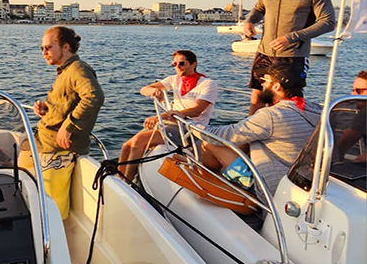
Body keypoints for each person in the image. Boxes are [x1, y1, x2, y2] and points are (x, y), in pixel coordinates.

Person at [200, 63, 320, 200]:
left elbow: (222, 136)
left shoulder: (272, 115)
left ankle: (217, 180)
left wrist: (190, 123)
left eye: (264, 81)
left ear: (276, 86)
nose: (261, 86)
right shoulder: (317, 110)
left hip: (270, 190)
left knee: (209, 143)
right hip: (302, 184)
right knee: (249, 140)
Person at [242, 0, 335, 115]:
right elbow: (259, 8)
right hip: (264, 53)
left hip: (293, 55)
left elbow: (328, 23)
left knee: (283, 104)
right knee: (258, 99)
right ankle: (248, 138)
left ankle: (281, 138)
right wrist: (249, 21)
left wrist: (291, 38)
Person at [26, 26, 104, 219]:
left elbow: (94, 97)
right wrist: (46, 111)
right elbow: (68, 104)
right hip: (44, 143)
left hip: (58, 151)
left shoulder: (78, 69)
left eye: (48, 48)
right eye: (41, 48)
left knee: (53, 206)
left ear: (66, 47)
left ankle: (54, 244)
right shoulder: (65, 71)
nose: (44, 52)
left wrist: (69, 127)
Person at [119, 50, 218, 183]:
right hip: (171, 123)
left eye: (182, 63)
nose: (178, 67)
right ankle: (118, 180)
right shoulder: (174, 79)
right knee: (126, 145)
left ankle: (128, 182)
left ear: (194, 64)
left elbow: (197, 110)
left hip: (189, 128)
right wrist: (155, 91)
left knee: (138, 142)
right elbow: (144, 89)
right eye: (174, 64)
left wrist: (166, 115)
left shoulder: (208, 84)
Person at [332, 71, 367, 164]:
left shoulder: (364, 114)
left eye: (359, 91)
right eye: (353, 90)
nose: (353, 95)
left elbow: (340, 150)